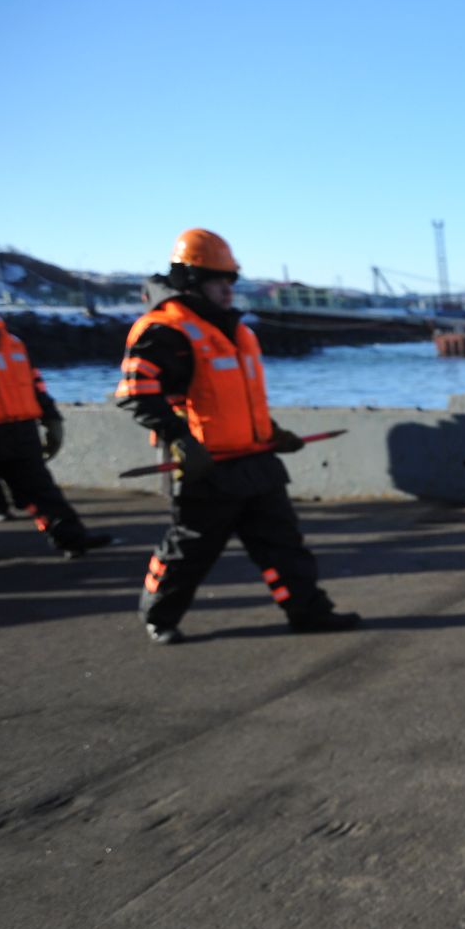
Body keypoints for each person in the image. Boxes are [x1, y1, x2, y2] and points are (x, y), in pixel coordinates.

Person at [116, 228, 359, 643]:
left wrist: (273, 434)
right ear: (191, 281)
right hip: (205, 467)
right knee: (190, 550)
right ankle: (160, 616)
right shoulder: (164, 330)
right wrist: (181, 441)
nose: (228, 291)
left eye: (230, 281)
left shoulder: (238, 332)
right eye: (217, 281)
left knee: (284, 546)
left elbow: (240, 401)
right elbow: (136, 396)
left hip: (255, 460)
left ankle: (307, 611)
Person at [0, 268, 115, 560]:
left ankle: (71, 539)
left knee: (43, 492)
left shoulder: (12, 343)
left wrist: (51, 417)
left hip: (20, 431)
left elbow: (34, 383)